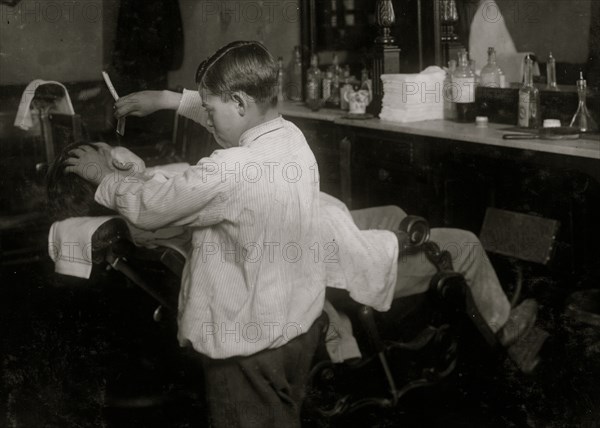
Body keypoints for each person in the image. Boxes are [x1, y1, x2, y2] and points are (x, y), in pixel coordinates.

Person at [113, 73, 545, 373]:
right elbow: (230, 114)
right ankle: (506, 334)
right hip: (320, 253)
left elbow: (226, 117)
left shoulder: (179, 180)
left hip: (308, 229)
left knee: (394, 214)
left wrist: (166, 101)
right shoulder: (232, 165)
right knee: (466, 243)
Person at [66, 41, 328, 428]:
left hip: (246, 344)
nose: (208, 117)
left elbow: (153, 204)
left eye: (210, 109)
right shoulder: (290, 138)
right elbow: (232, 123)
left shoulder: (230, 168)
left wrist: (102, 175)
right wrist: (169, 100)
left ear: (239, 101)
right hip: (297, 327)